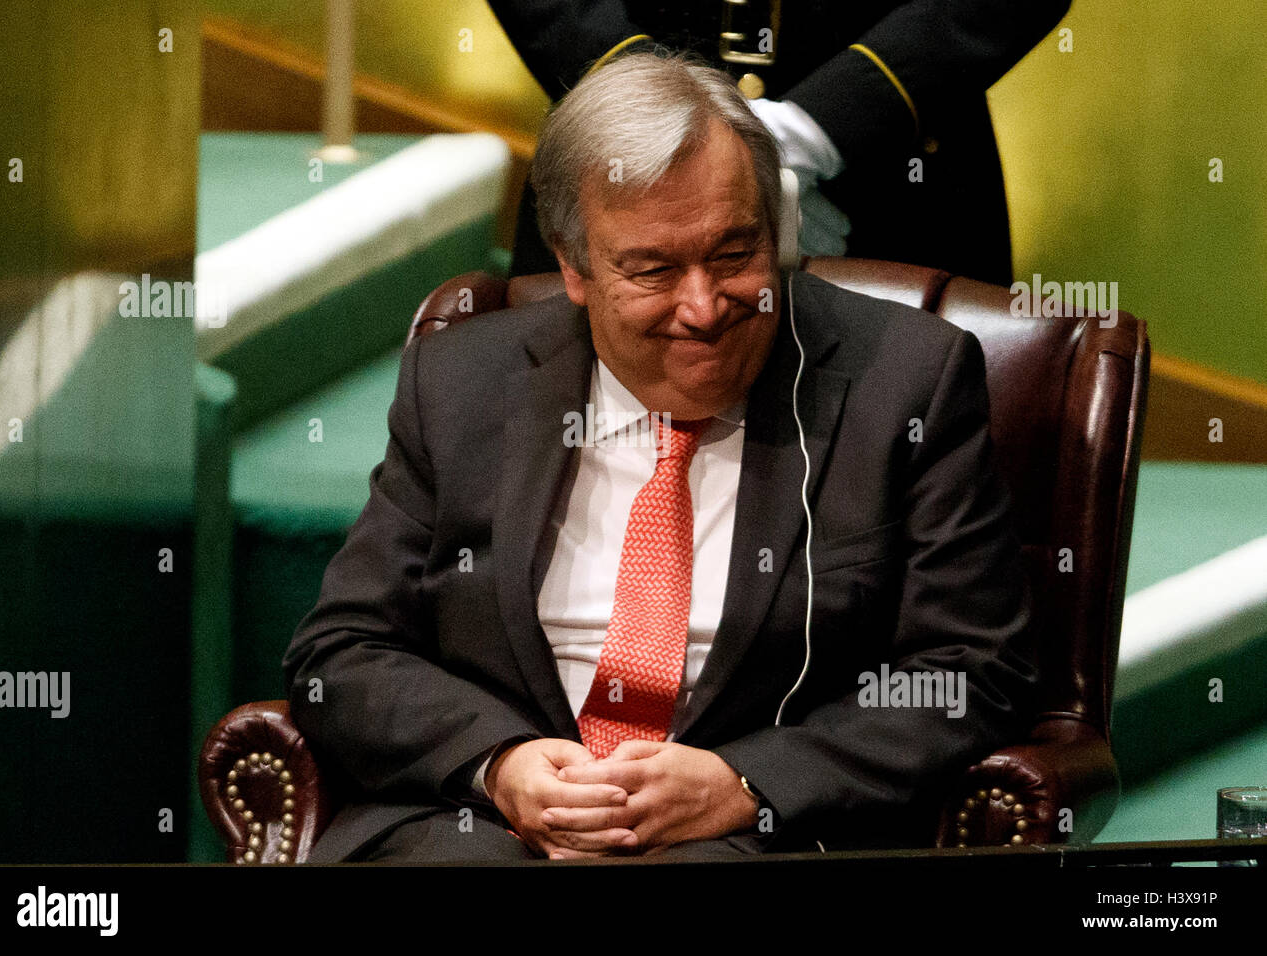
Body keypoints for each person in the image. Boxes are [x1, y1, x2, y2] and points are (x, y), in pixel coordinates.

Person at [283, 51, 1039, 863]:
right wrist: (500, 765)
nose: (704, 308)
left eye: (733, 254)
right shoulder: (463, 381)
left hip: (749, 840)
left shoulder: (906, 382)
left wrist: (744, 782)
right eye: (652, 270)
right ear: (572, 267)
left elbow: (972, 671)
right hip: (486, 831)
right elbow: (343, 651)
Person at [489, 0, 1072, 285]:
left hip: (899, 172)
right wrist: (653, 111)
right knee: (565, 470)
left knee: (907, 466)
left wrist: (825, 125)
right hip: (619, 153)